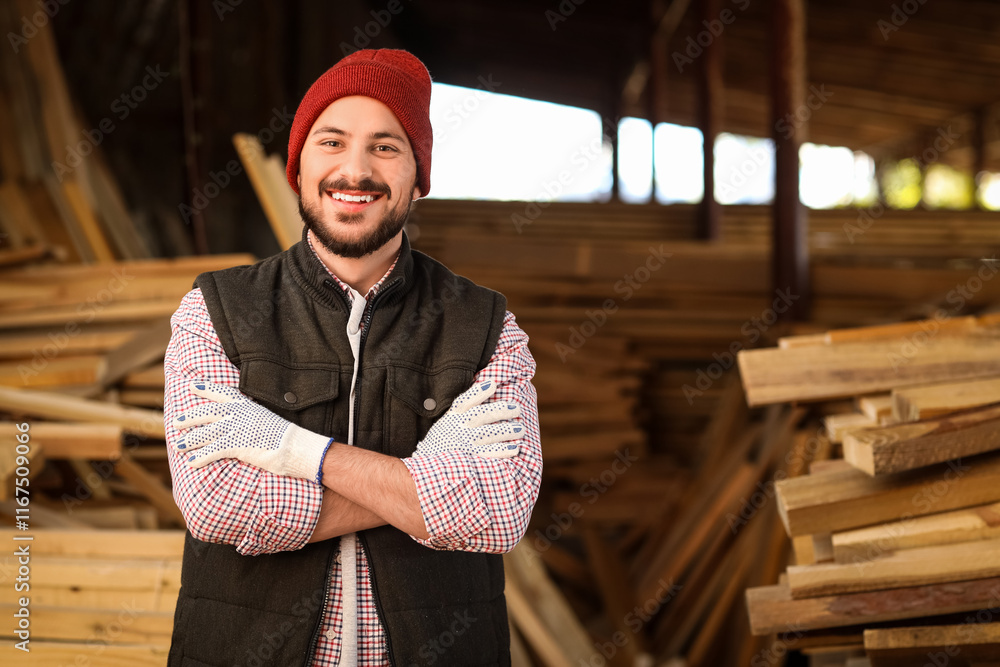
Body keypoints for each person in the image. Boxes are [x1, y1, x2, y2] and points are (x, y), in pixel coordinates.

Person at [163, 49, 542, 666]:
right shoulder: (216, 311)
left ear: (418, 176)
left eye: (386, 147)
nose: (355, 169)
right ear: (298, 166)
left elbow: (499, 511)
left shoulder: (485, 326)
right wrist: (423, 493)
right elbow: (215, 501)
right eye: (332, 142)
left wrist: (293, 451)